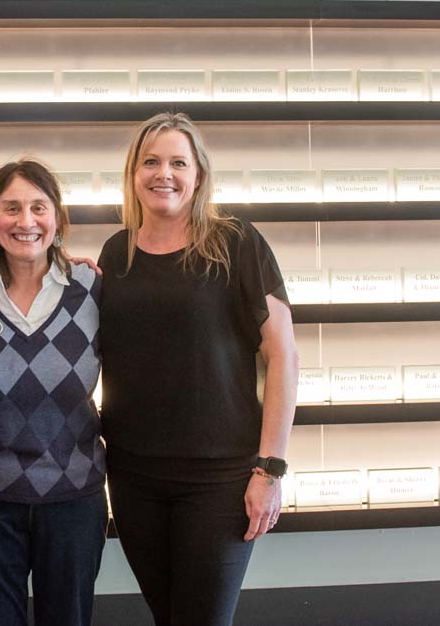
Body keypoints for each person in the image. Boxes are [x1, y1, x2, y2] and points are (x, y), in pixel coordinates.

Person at [97, 112, 299, 626]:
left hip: (220, 479)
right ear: (133, 173)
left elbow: (283, 355)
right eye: (151, 162)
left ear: (199, 175)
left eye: (177, 162)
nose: (163, 173)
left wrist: (269, 469)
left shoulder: (236, 243)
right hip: (133, 475)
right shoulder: (115, 253)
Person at [0, 159, 108, 626]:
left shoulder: (94, 289)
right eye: (11, 208)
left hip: (73, 500)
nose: (26, 220)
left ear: (57, 219)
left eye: (39, 206)